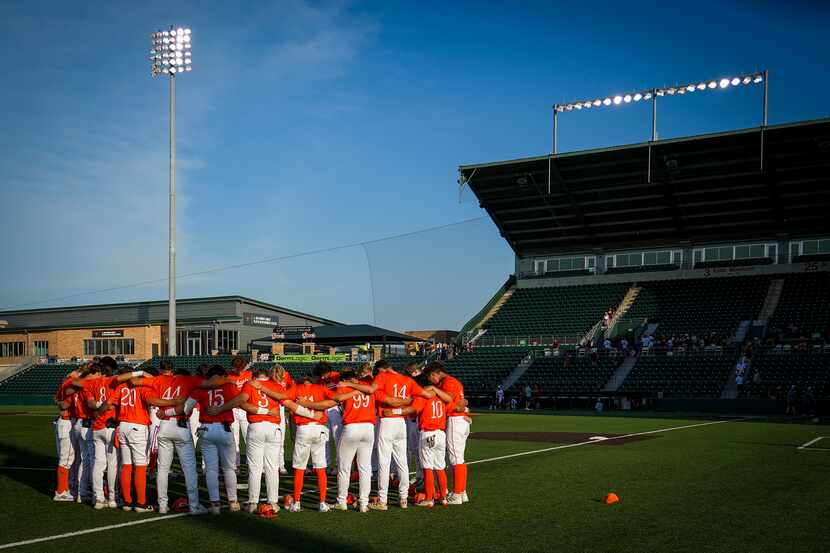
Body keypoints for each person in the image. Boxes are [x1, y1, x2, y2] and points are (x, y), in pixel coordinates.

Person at [210, 363, 318, 514]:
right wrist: (312, 415)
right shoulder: (276, 386)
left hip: (256, 427)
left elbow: (240, 400)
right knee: (272, 467)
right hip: (273, 428)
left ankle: (253, 502)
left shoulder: (250, 385)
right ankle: (273, 502)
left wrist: (219, 409)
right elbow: (290, 404)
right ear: (268, 375)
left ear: (255, 377)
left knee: (255, 467)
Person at [340, 359, 434, 511]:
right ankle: (403, 498)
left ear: (382, 370)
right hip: (401, 423)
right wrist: (406, 402)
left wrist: (348, 384)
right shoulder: (407, 379)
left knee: (384, 462)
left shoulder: (383, 376)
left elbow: (371, 391)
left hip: (387, 422)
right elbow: (426, 394)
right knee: (402, 461)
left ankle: (383, 500)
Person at [252, 362, 336, 512]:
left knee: (299, 468)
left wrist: (262, 388)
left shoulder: (296, 388)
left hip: (303, 429)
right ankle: (322, 503)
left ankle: (297, 503)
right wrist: (316, 407)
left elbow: (282, 398)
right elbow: (335, 399)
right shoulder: (320, 388)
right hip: (319, 429)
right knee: (321, 467)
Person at [101, 367, 182, 512]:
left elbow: (108, 405)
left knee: (126, 465)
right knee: (140, 466)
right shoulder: (142, 386)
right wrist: (173, 401)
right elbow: (152, 400)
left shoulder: (120, 387)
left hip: (123, 425)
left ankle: (126, 501)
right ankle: (141, 503)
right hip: (137, 426)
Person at [135, 362, 207, 515]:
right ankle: (194, 506)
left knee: (162, 468)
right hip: (180, 425)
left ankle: (162, 505)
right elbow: (208, 384)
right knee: (189, 469)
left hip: (164, 426)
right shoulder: (188, 381)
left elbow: (136, 382)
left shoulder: (162, 380)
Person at [382, 378, 454, 508]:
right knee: (440, 467)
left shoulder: (423, 397)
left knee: (427, 467)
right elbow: (451, 404)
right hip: (441, 433)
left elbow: (412, 410)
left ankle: (429, 498)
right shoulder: (441, 396)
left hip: (428, 432)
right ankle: (443, 497)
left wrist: (394, 411)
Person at [185, 365, 243, 515]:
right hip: (224, 428)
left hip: (206, 428)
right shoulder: (229, 387)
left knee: (211, 469)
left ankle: (215, 504)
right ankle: (233, 502)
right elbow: (241, 401)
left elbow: (186, 408)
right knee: (229, 468)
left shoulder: (200, 388)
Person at [423, 361, 471, 505]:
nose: (431, 381)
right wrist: (464, 404)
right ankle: (461, 492)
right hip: (460, 421)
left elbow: (449, 402)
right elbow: (459, 403)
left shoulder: (448, 382)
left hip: (455, 421)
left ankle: (457, 494)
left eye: (430, 378)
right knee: (459, 458)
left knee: (456, 459)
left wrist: (461, 405)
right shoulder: (452, 381)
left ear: (435, 374)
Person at [53, 368, 81, 501]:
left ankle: (66, 488)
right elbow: (63, 405)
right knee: (67, 459)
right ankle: (61, 491)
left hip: (63, 422)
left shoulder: (65, 385)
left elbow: (56, 400)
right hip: (67, 422)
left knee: (66, 459)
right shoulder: (69, 385)